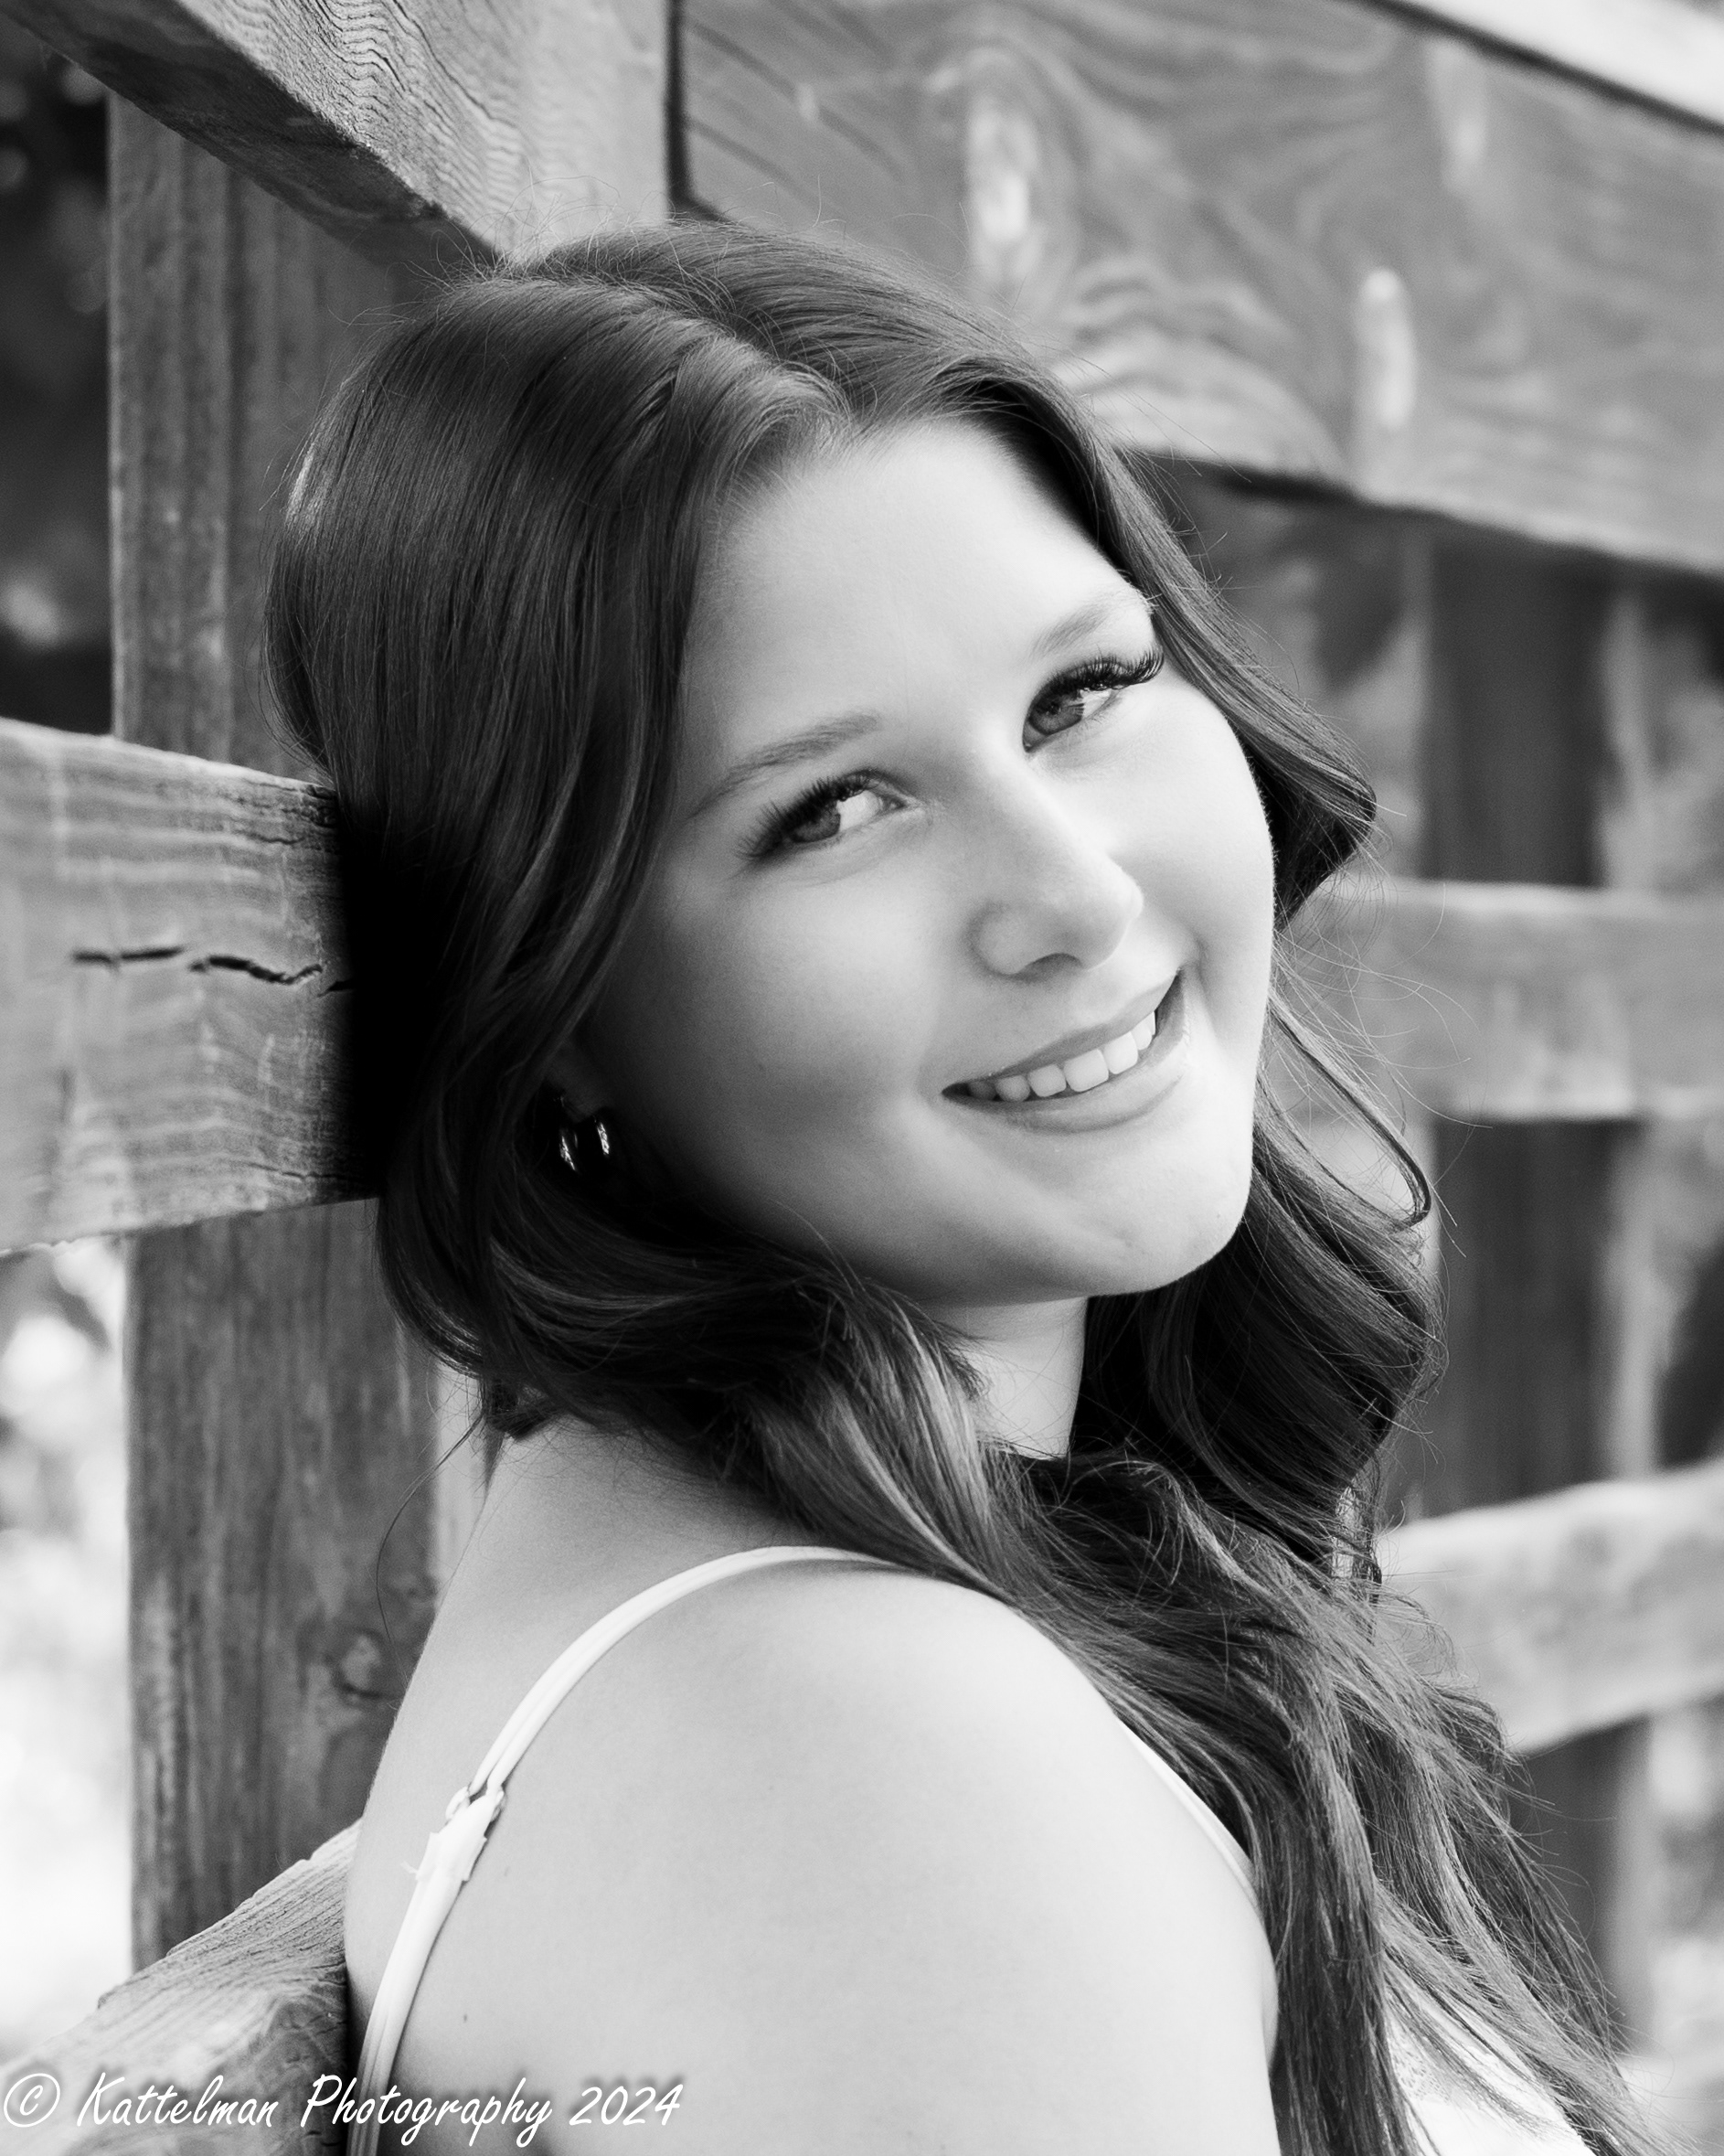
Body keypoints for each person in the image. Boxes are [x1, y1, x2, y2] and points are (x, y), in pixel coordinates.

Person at [263, 223, 1663, 2155]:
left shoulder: (886, 1611)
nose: (1076, 893)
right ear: (556, 1000)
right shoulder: (867, 1761)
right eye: (836, 808)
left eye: (1081, 692)